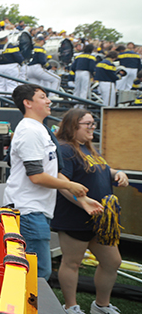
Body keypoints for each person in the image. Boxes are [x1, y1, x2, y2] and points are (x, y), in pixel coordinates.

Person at [3, 84, 88, 282]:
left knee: (37, 273)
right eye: (42, 97)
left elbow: (53, 173)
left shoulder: (39, 129)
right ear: (28, 103)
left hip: (36, 210)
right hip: (28, 211)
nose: (48, 100)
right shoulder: (30, 131)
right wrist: (70, 185)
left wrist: (83, 200)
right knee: (37, 275)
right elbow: (36, 176)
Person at [53, 109, 128, 314]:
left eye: (93, 124)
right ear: (72, 126)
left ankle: (101, 306)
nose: (92, 128)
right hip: (75, 216)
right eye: (88, 124)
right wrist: (83, 201)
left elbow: (102, 170)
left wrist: (117, 173)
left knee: (112, 262)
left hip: (101, 219)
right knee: (72, 262)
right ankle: (70, 306)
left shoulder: (88, 149)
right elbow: (62, 181)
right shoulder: (66, 149)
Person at [0, 29, 24, 107]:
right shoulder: (12, 47)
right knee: (12, 85)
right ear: (6, 38)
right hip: (11, 67)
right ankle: (11, 103)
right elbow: (19, 58)